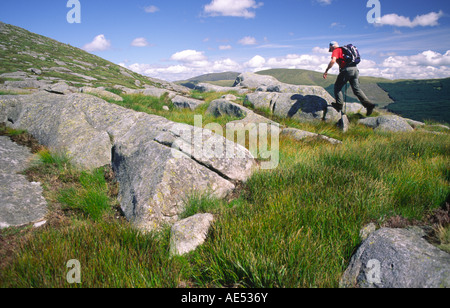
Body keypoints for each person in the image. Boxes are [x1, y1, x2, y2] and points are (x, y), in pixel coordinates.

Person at [323, 41, 376, 116]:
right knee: (356, 90)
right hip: (355, 70)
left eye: (330, 49)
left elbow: (333, 61)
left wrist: (326, 71)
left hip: (347, 70)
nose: (331, 50)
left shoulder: (336, 50)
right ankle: (369, 105)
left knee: (337, 87)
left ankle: (339, 105)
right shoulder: (345, 51)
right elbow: (341, 62)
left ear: (332, 47)